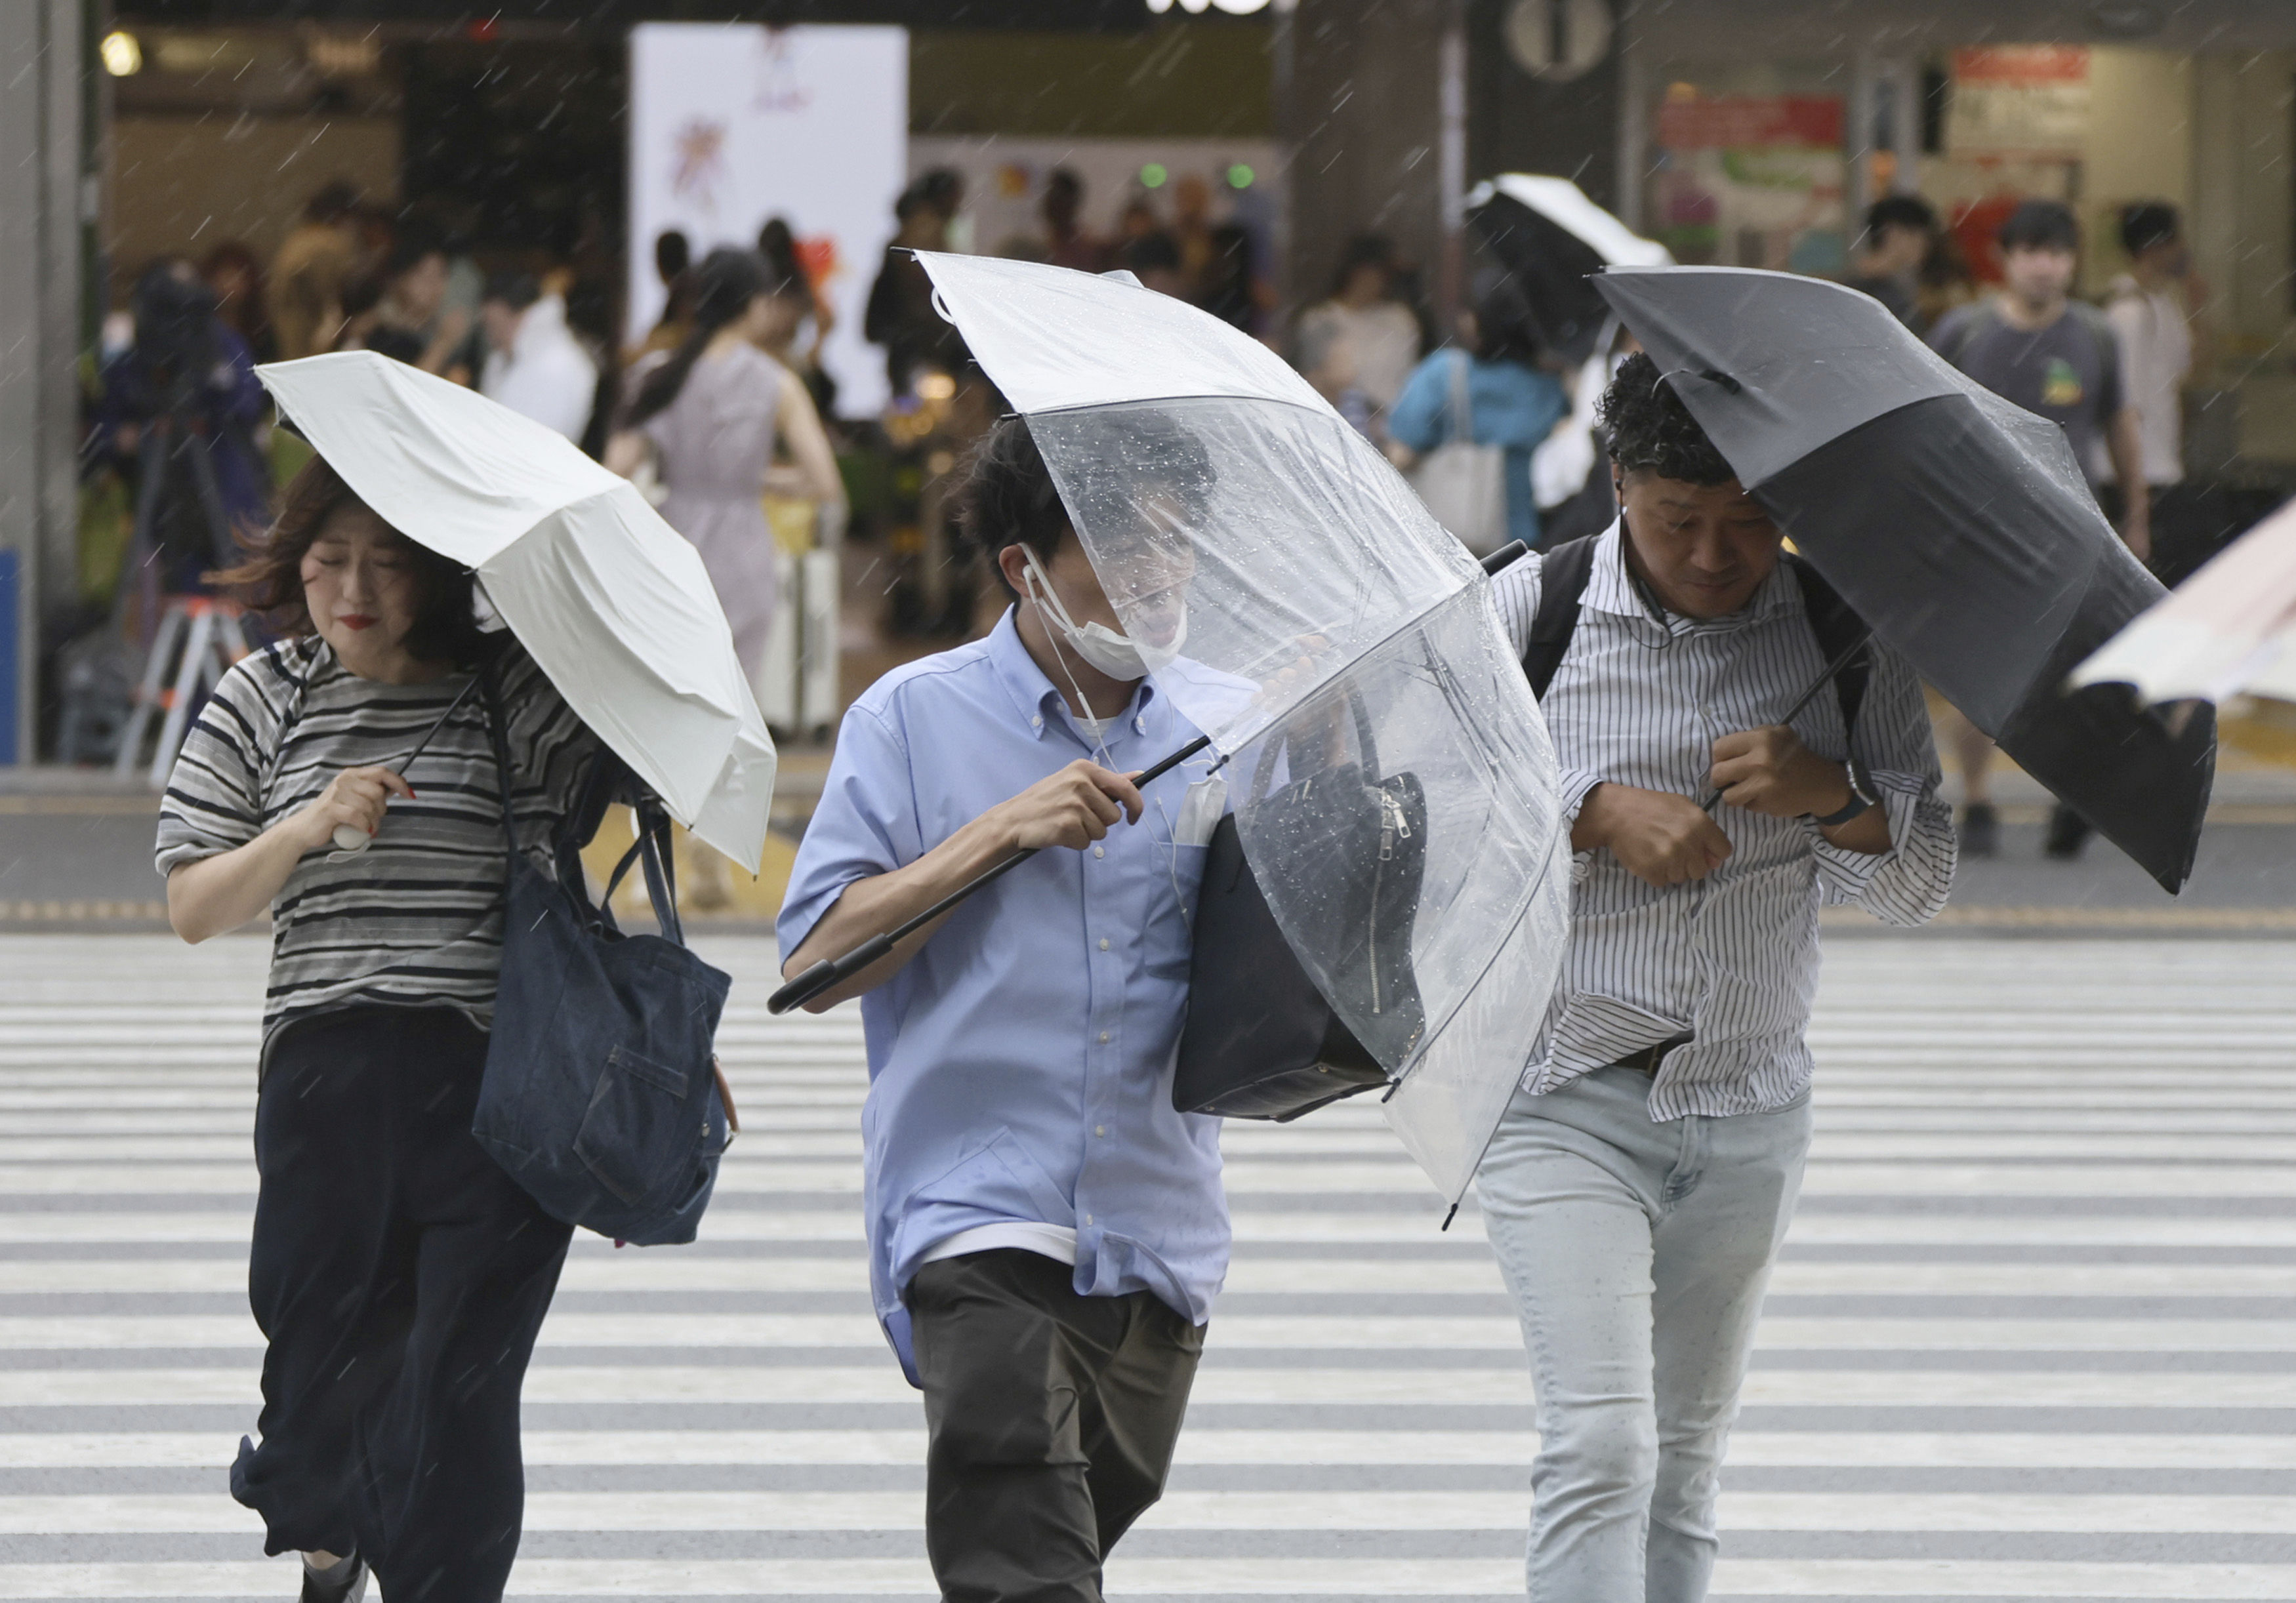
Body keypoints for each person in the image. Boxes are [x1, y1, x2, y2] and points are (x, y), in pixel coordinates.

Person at [1479, 353, 1954, 1602]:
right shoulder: (1529, 612)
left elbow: (1920, 877)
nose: (1713, 552)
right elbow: (1417, 809)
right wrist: (1587, 810)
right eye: (1680, 518)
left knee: (1684, 1464)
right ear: (1619, 479)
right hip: (1561, 1090)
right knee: (1600, 1443)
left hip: (1749, 1109)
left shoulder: (1845, 634)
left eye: (1750, 518)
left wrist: (1831, 798)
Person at [776, 415, 1227, 1603]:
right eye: (1127, 557)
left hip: (1154, 1236)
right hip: (976, 1218)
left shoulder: (1230, 726)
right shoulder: (911, 718)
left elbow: (1320, 965)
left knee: (1036, 1559)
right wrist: (992, 834)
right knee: (1028, 1569)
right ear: (1026, 566)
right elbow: (814, 961)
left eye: (1182, 550)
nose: (1163, 583)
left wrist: (1341, 779)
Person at [154, 455, 600, 1603]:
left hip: (491, 1093)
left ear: (444, 574)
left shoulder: (519, 692)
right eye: (329, 557)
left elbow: (578, 870)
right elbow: (195, 904)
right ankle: (325, 1536)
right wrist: (304, 824)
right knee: (314, 1407)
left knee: (462, 1393)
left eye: (389, 563)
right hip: (325, 1089)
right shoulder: (264, 695)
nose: (352, 585)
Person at [1929, 199, 2148, 860]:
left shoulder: (2093, 334)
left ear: (2072, 260)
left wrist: (2134, 514)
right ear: (2003, 258)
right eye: (2030, 252)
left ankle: (2068, 794)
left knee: (2074, 672)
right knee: (1979, 673)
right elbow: (1924, 422)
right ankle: (1975, 797)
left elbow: (2119, 423)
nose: (2044, 267)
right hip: (1978, 530)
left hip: (2070, 531)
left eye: (2056, 253)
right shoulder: (1961, 332)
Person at [96, 258, 272, 596]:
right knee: (178, 595)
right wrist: (128, 436)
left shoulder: (224, 347)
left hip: (229, 491)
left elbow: (249, 402)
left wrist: (211, 403)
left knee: (248, 591)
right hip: (164, 502)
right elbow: (106, 427)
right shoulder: (135, 361)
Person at [1385, 284, 1570, 552]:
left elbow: (1403, 446)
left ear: (1480, 321)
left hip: (1449, 535)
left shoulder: (1446, 372)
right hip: (1523, 539)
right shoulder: (1549, 388)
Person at [2106, 201, 2211, 582]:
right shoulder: (2128, 313)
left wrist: (2199, 305)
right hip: (2141, 477)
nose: (2184, 249)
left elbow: (2194, 373)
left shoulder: (2164, 304)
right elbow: (2125, 410)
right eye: (2176, 240)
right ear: (2155, 247)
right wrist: (2137, 510)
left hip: (2163, 470)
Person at [1295, 234, 1424, 434]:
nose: (1373, 280)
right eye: (1369, 272)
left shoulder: (1400, 320)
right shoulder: (1321, 320)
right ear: (1353, 271)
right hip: (1339, 425)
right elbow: (1314, 381)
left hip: (1393, 429)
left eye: (1381, 273)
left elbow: (1408, 380)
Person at [479, 270, 600, 443]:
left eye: (490, 324)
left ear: (500, 310)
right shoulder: (510, 356)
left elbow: (526, 443)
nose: (488, 332)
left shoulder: (555, 362)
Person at [268, 180, 363, 361]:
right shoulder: (328, 244)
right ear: (347, 218)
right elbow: (333, 294)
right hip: (312, 331)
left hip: (286, 327)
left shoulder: (297, 240)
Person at [1843, 193, 1939, 333]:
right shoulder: (1890, 301)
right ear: (1893, 233)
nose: (1925, 245)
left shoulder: (1847, 286)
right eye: (1919, 235)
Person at [202, 241, 276, 366]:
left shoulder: (262, 333)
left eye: (236, 276)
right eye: (224, 276)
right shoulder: (203, 331)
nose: (228, 285)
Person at [1040, 167, 1108, 273]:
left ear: (1072, 203)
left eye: (1057, 199)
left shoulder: (1087, 249)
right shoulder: (1037, 246)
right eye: (1049, 196)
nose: (1050, 203)